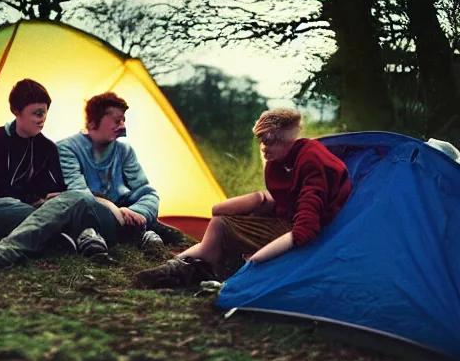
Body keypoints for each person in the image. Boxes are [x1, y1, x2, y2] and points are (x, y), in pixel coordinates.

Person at [135, 108, 352, 288]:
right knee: (220, 223)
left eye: (271, 141)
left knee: (227, 230)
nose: (265, 148)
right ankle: (176, 267)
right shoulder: (278, 163)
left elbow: (305, 230)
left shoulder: (311, 159)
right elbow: (282, 203)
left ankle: (199, 270)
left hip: (314, 236)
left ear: (289, 137)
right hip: (288, 223)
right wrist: (257, 202)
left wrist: (255, 263)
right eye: (261, 141)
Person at [0, 79, 113, 269]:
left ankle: (62, 239)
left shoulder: (47, 148)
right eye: (36, 113)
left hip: (38, 209)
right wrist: (28, 200)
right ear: (16, 111)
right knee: (33, 215)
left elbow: (56, 193)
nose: (42, 119)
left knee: (77, 200)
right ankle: (64, 238)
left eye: (44, 113)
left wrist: (51, 198)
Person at [57, 92, 174, 251]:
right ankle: (138, 231)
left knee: (150, 195)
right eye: (117, 120)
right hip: (93, 207)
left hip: (124, 207)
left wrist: (130, 211)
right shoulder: (67, 148)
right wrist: (113, 209)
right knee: (82, 206)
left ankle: (125, 226)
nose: (122, 126)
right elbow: (78, 192)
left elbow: (142, 187)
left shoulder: (124, 150)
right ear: (92, 123)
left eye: (124, 120)